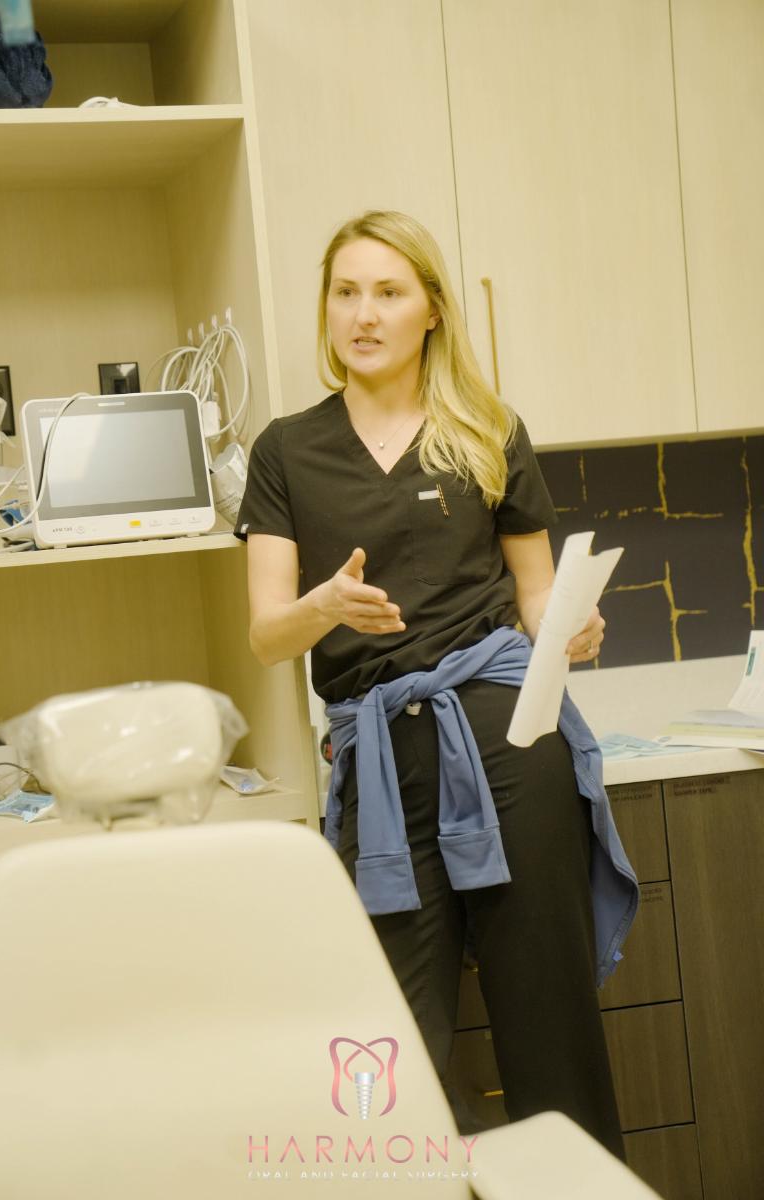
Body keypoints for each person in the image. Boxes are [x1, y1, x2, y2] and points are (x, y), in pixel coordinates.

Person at [234, 210, 638, 1159]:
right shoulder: (286, 451)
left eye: (388, 292)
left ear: (432, 312)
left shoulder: (487, 431)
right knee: (393, 1044)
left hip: (508, 742)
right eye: (345, 292)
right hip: (380, 764)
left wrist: (575, 628)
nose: (362, 314)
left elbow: (537, 602)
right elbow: (264, 636)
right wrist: (327, 603)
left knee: (546, 1015)